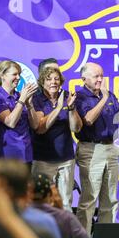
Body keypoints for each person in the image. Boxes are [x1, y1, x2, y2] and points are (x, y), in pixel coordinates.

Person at [74, 62, 119, 238]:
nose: (100, 79)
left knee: (110, 200)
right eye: (96, 76)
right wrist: (104, 98)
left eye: (101, 76)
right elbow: (88, 119)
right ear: (84, 78)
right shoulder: (79, 97)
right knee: (89, 200)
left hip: (110, 148)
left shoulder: (110, 94)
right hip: (91, 148)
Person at [31, 67, 82, 211]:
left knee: (65, 202)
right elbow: (40, 128)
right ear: (42, 82)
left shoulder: (67, 96)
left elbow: (76, 128)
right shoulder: (36, 98)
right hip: (42, 159)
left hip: (65, 159)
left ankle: (65, 233)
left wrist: (71, 108)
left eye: (56, 79)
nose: (53, 82)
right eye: (49, 79)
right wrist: (59, 107)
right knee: (41, 202)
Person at [0, 60, 39, 164]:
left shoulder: (18, 95)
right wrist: (22, 100)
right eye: (14, 74)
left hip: (26, 153)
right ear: (3, 75)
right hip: (8, 156)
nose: (18, 77)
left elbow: (35, 125)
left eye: (19, 74)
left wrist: (29, 105)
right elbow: (10, 122)